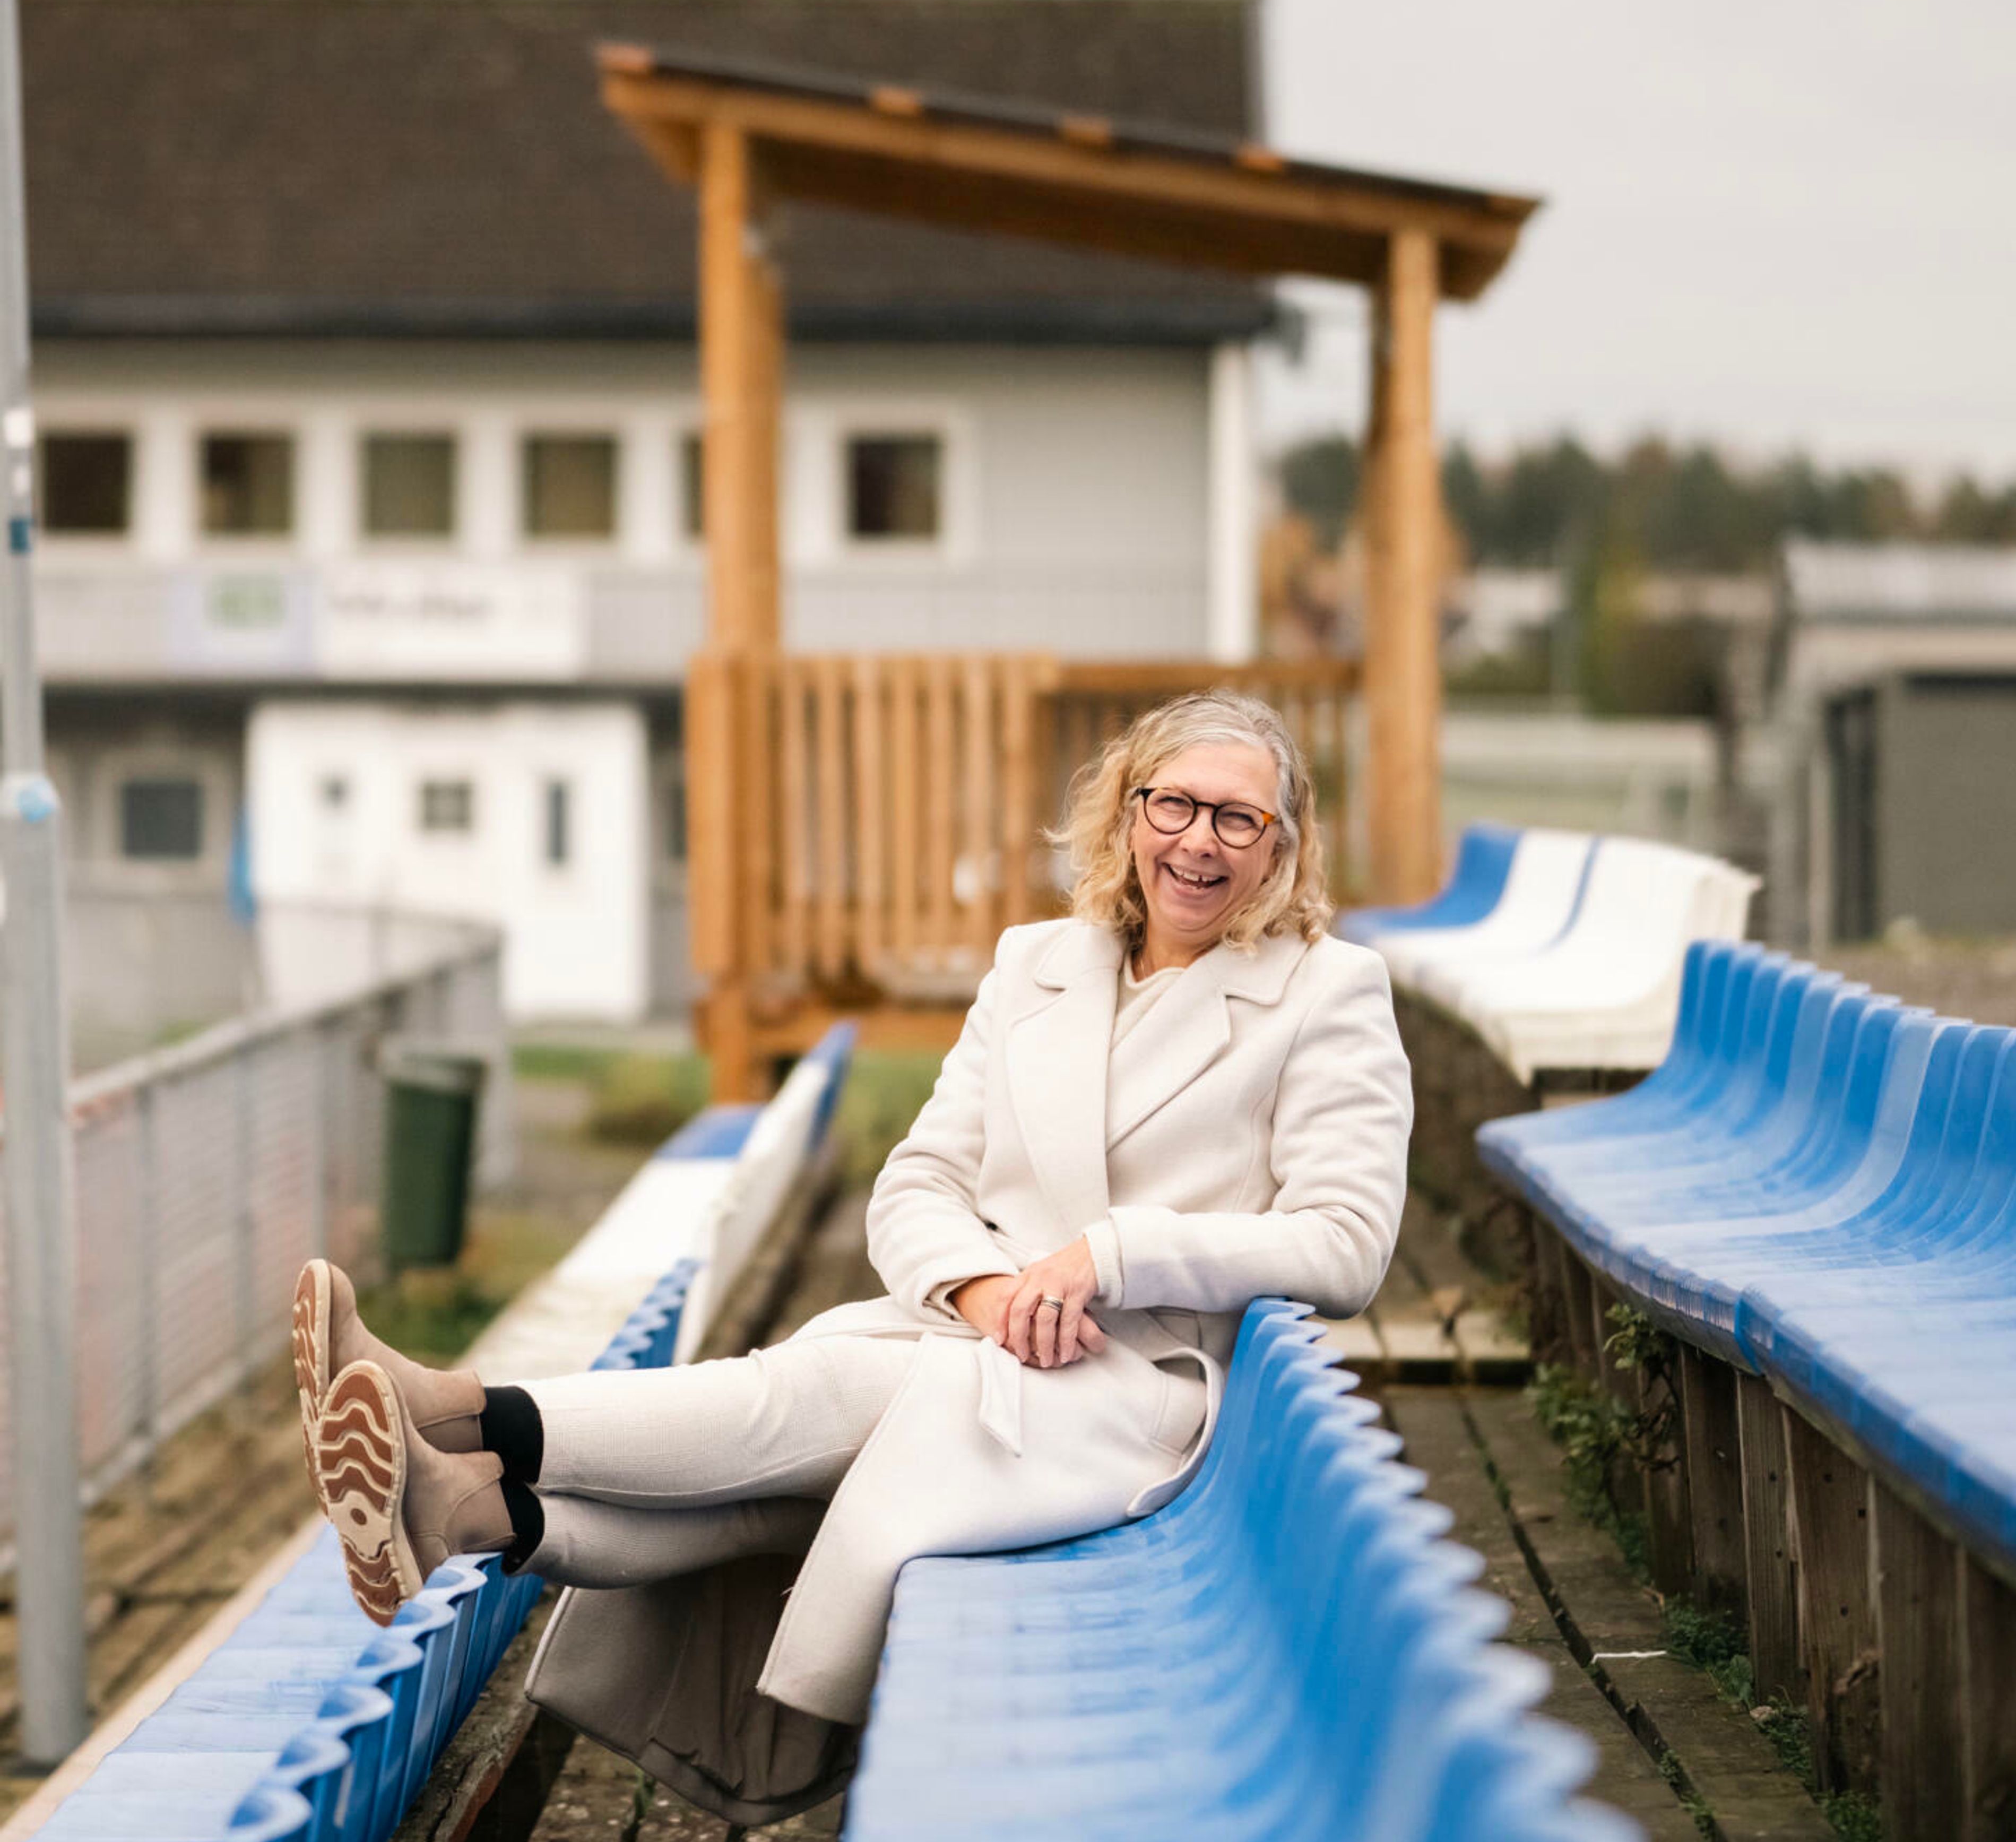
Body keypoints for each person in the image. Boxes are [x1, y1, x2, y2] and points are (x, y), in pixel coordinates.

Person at [295, 690, 1412, 1742]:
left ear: (1282, 844)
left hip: (1128, 1384)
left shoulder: (1328, 991)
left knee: (800, 1393)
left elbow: (1348, 1242)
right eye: (1174, 805)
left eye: (1237, 817)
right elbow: (916, 1181)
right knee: (767, 1500)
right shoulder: (1037, 964)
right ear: (1128, 812)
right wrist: (987, 1293)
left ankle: (451, 1408)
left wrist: (1113, 1258)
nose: (1199, 841)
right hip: (975, 1335)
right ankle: (461, 1511)